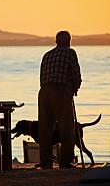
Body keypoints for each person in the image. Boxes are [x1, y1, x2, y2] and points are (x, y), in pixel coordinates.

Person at [38, 31, 82, 169]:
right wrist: (74, 89)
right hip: (61, 91)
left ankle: (46, 161)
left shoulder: (47, 54)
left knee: (45, 128)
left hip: (44, 92)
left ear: (56, 41)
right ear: (69, 41)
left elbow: (41, 77)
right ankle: (65, 161)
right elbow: (76, 74)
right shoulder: (70, 53)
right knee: (67, 128)